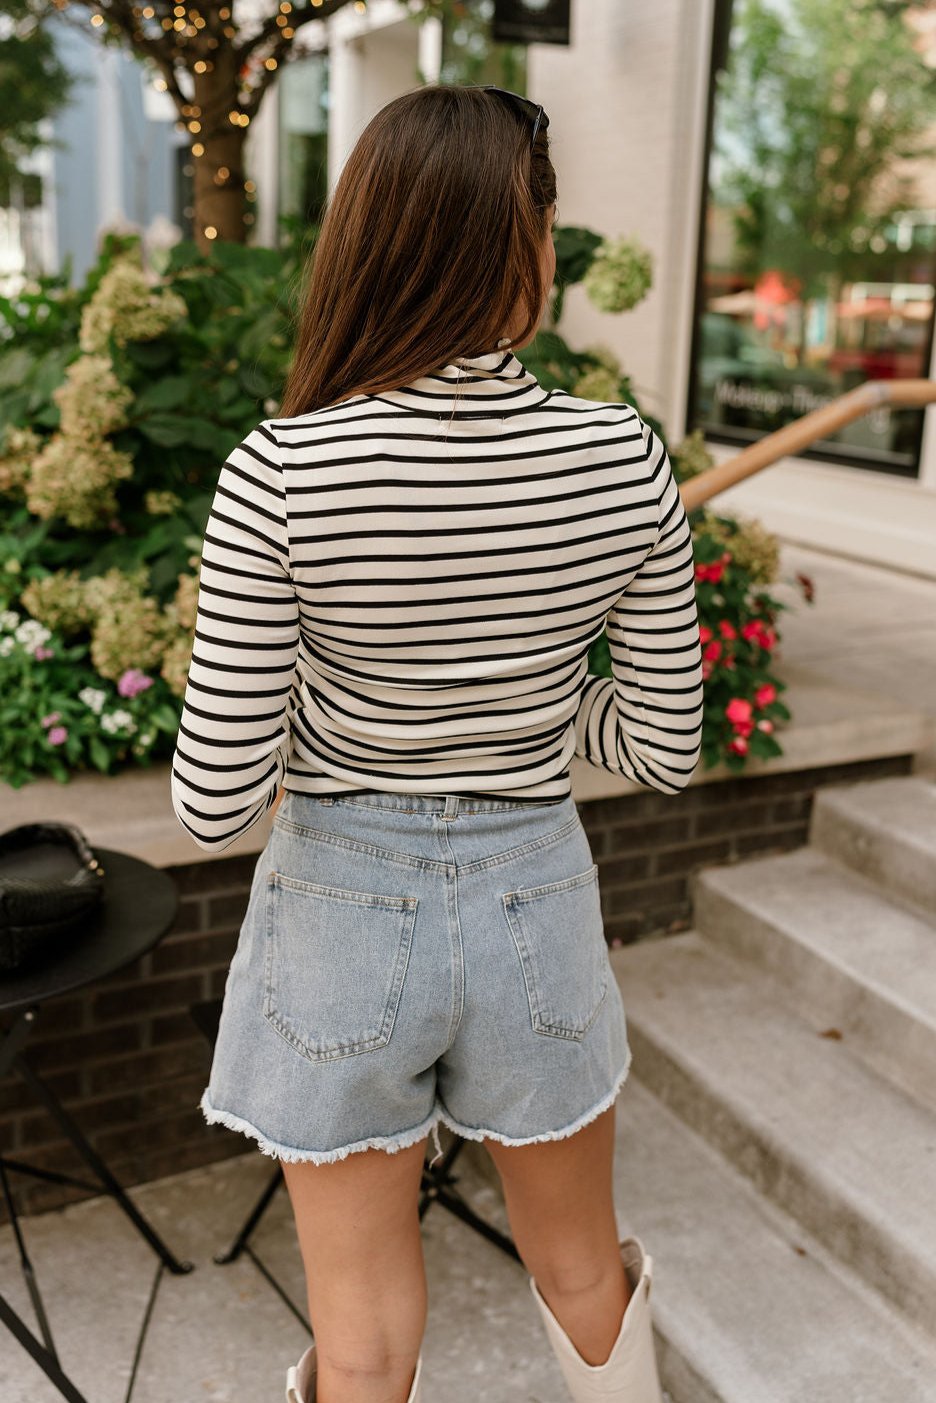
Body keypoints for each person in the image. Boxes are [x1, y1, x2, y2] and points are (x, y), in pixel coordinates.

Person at [171, 83, 703, 1403]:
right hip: (537, 896)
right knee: (583, 1268)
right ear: (526, 246)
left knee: (358, 1333)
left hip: (340, 909)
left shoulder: (281, 472)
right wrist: (517, 709)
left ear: (373, 238)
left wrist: (350, 709)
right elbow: (660, 746)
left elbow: (211, 801)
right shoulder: (621, 459)